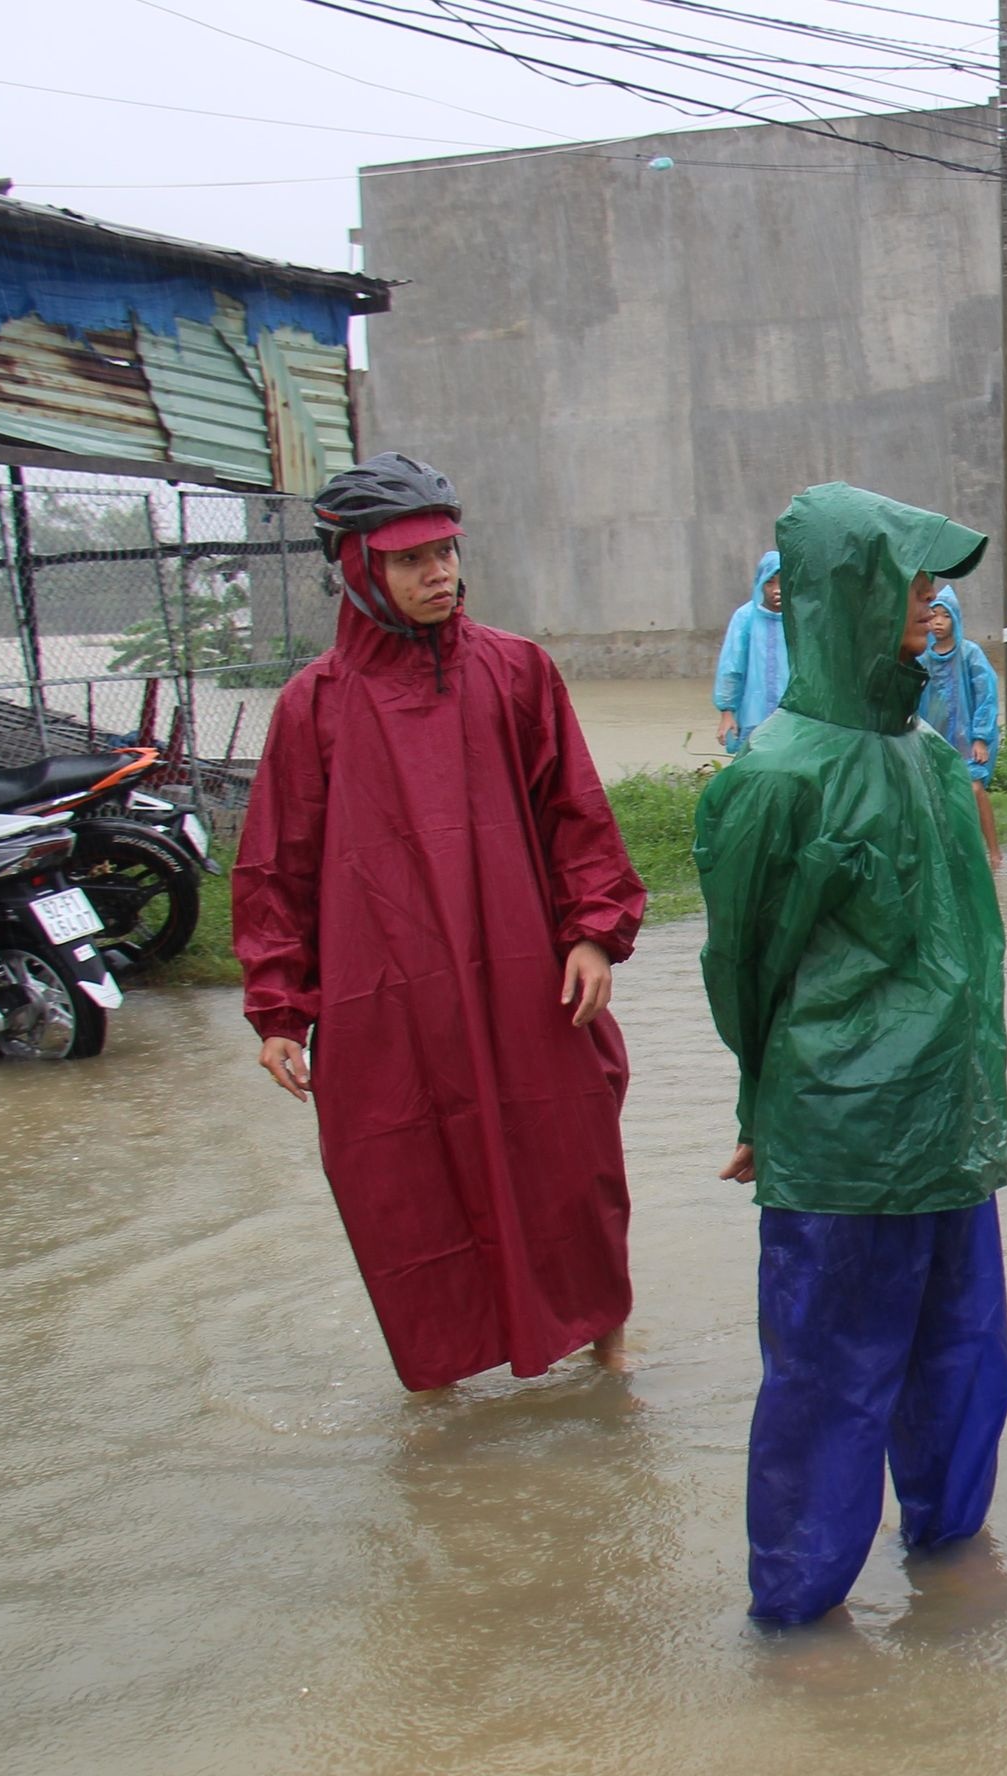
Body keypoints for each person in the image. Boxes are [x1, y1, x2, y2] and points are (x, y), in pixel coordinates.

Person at [233, 452, 645, 1392]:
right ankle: (444, 1384)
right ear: (359, 570)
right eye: (413, 561)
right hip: (388, 1001)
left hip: (527, 984)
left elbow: (574, 812)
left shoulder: (516, 671)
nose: (440, 576)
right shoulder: (317, 705)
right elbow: (276, 867)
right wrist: (277, 1011)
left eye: (447, 553)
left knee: (569, 1161)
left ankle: (607, 1350)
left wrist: (590, 930)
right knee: (403, 1183)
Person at [693, 482, 1007, 1627]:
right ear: (848, 599)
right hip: (841, 1132)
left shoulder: (929, 756)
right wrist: (760, 1106)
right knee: (829, 1383)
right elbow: (746, 973)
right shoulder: (775, 776)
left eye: (935, 592)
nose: (933, 612)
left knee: (964, 1360)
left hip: (947, 1123)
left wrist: (978, 1097)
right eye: (913, 589)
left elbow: (969, 946)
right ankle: (795, 1609)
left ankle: (952, 1555)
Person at [912, 582, 1004, 866]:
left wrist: (980, 737)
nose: (938, 622)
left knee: (975, 790)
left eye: (945, 615)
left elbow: (986, 695)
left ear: (956, 618)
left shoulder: (970, 654)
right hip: (935, 740)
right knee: (939, 798)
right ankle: (953, 854)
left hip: (968, 742)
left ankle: (994, 851)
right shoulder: (923, 658)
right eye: (934, 615)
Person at [714, 548, 788, 753]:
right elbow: (731, 667)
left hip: (793, 717)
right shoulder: (746, 618)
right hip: (754, 715)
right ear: (760, 583)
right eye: (770, 582)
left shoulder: (801, 618)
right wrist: (727, 712)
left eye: (783, 582)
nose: (776, 590)